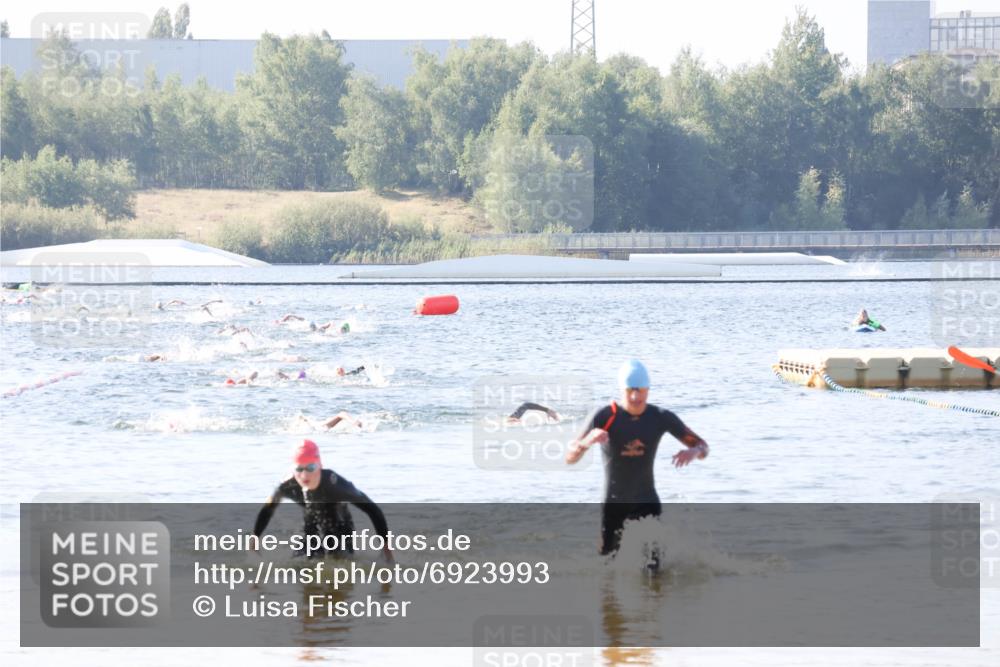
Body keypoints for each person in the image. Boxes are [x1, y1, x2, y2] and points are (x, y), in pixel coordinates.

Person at [566, 360, 709, 556]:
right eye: (629, 390)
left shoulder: (660, 417)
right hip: (614, 504)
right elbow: (570, 457)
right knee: (606, 566)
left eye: (640, 390)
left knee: (653, 570)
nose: (635, 396)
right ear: (621, 390)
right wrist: (585, 442)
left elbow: (703, 447)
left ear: (648, 390)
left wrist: (694, 452)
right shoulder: (604, 416)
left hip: (647, 502)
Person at [253, 439, 393, 561]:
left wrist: (386, 547)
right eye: (299, 468)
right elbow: (268, 508)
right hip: (310, 527)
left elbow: (373, 510)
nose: (305, 475)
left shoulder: (335, 484)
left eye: (311, 467)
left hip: (341, 529)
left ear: (320, 465)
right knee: (299, 569)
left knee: (340, 572)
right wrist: (254, 540)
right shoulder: (288, 486)